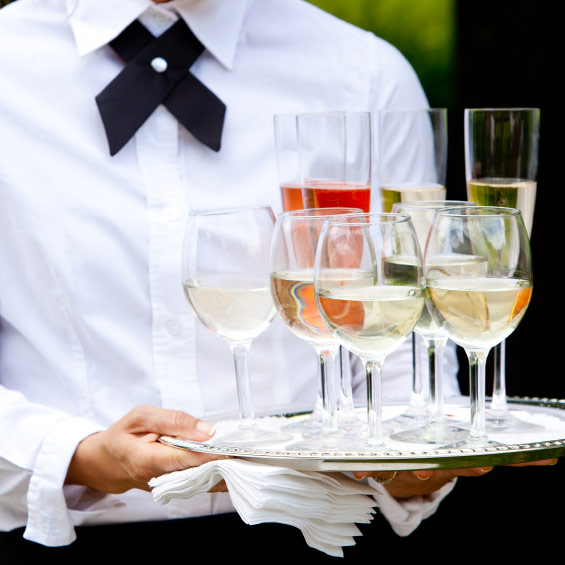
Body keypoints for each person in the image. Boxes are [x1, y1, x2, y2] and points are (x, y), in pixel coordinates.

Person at [0, 0, 556, 560]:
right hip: (53, 538)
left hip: (321, 545)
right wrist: (78, 454)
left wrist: (416, 469)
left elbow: (408, 361)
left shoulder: (366, 74)